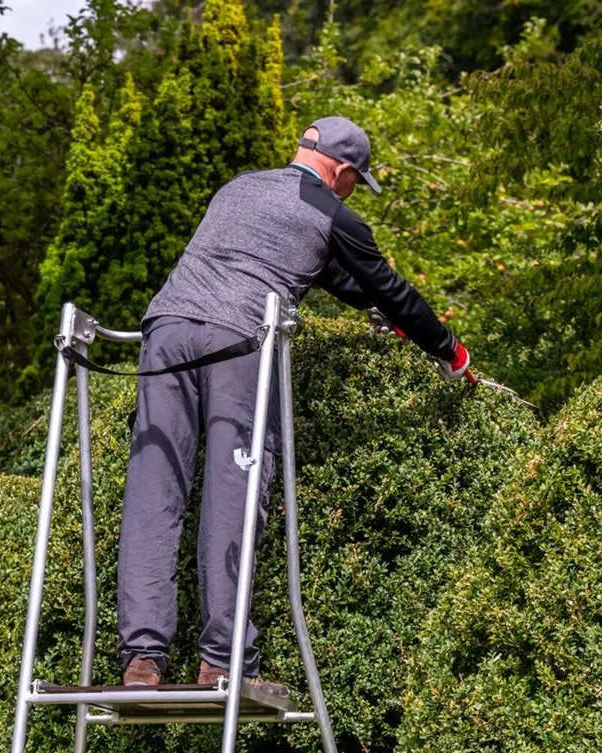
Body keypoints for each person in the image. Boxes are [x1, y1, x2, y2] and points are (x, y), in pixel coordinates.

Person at [118, 116, 471, 695]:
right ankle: (221, 660)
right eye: (357, 181)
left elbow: (319, 269)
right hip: (236, 341)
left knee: (155, 491)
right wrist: (450, 351)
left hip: (166, 332)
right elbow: (390, 288)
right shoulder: (334, 212)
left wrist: (373, 311)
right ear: (343, 171)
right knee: (234, 494)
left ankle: (142, 660)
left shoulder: (238, 188)